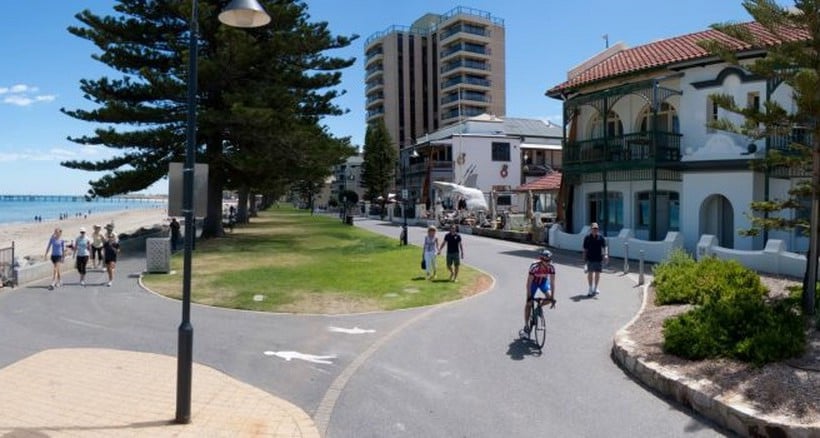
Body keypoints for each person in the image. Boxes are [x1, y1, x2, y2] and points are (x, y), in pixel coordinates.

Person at [520, 249, 556, 339]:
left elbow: (552, 282)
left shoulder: (551, 267)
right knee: (528, 303)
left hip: (543, 282)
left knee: (549, 299)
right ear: (541, 259)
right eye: (546, 260)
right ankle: (526, 327)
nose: (548, 262)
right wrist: (529, 296)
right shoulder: (534, 266)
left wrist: (552, 297)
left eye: (549, 260)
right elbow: (529, 282)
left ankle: (538, 309)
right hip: (533, 283)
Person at [582, 222, 608, 296]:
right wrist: (584, 260)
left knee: (597, 274)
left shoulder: (601, 237)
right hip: (590, 258)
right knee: (590, 273)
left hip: (598, 258)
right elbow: (584, 249)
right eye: (594, 228)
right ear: (591, 229)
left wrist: (606, 255)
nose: (595, 230)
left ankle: (595, 288)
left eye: (596, 228)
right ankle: (590, 288)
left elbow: (604, 247)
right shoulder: (587, 237)